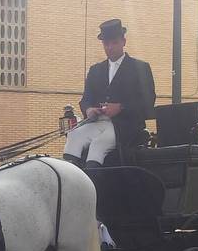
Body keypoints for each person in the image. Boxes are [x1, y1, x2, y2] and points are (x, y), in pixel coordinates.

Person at [63, 18, 156, 167]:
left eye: (114, 43)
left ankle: (94, 185)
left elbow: (148, 102)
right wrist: (89, 109)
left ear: (123, 42)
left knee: (98, 145)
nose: (109, 47)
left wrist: (121, 107)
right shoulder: (95, 70)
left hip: (125, 127)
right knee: (74, 136)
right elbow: (85, 99)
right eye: (106, 43)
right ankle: (69, 180)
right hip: (97, 122)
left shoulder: (140, 68)